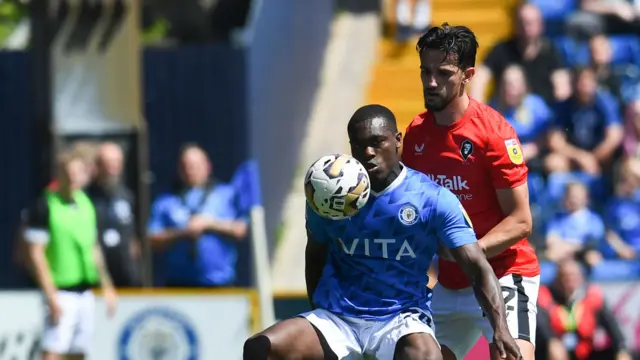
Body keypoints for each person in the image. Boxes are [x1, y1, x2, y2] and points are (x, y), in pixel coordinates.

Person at [243, 104, 522, 360]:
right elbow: (315, 253)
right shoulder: (328, 196)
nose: (368, 153)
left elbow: (477, 267)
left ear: (398, 141)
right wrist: (317, 310)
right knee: (260, 348)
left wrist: (501, 328)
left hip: (399, 319)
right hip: (339, 318)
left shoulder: (431, 198)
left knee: (426, 356)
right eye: (360, 145)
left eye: (377, 142)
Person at [402, 24, 540, 360]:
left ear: (468, 75)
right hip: (449, 285)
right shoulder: (416, 134)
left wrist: (468, 251)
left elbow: (521, 221)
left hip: (504, 274)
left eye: (444, 73)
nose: (431, 82)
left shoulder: (494, 134)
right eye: (426, 71)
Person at [23, 151, 117, 360]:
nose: (73, 177)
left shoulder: (86, 203)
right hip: (60, 291)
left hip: (85, 291)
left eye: (78, 172)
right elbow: (35, 255)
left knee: (78, 352)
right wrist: (51, 295)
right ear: (59, 174)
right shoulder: (45, 205)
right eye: (68, 172)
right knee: (54, 348)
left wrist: (107, 284)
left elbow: (93, 247)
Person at [147, 143, 248, 287]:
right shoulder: (166, 202)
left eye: (195, 166)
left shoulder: (226, 195)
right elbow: (152, 239)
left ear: (208, 166)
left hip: (220, 286)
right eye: (185, 166)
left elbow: (240, 230)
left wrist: (209, 224)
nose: (190, 171)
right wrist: (182, 233)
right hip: (179, 286)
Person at [536, 259, 631, 360]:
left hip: (585, 350)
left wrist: (621, 349)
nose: (569, 280)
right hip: (555, 348)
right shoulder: (545, 296)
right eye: (564, 276)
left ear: (580, 277)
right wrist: (551, 340)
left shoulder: (592, 296)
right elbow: (541, 325)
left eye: (573, 275)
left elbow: (612, 325)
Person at [86, 142, 142, 287]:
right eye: (108, 163)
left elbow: (135, 235)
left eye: (117, 162)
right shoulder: (86, 198)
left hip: (126, 274)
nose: (113, 168)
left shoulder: (127, 196)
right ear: (98, 166)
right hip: (96, 275)